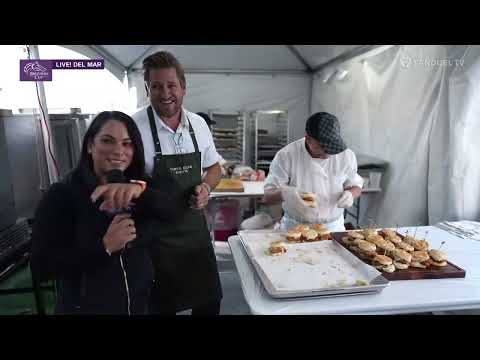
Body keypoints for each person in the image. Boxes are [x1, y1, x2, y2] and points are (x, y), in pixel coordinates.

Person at [30, 111, 183, 314]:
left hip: (139, 304)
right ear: (90, 146)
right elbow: (42, 266)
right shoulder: (62, 195)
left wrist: (141, 190)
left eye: (127, 143)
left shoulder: (139, 186)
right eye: (107, 141)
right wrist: (104, 247)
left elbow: (174, 209)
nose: (118, 151)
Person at [132, 51, 223, 315]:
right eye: (156, 86)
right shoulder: (133, 127)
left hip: (194, 234)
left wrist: (206, 187)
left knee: (209, 303)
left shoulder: (198, 125)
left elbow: (214, 167)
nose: (165, 93)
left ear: (183, 87)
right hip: (153, 238)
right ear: (146, 88)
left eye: (171, 85)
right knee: (160, 307)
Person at [263, 112, 363, 232]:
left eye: (333, 146)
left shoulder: (345, 155)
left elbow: (356, 185)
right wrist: (284, 193)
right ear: (308, 138)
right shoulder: (287, 155)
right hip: (296, 228)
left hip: (333, 228)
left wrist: (350, 194)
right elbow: (268, 197)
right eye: (322, 147)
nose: (328, 153)